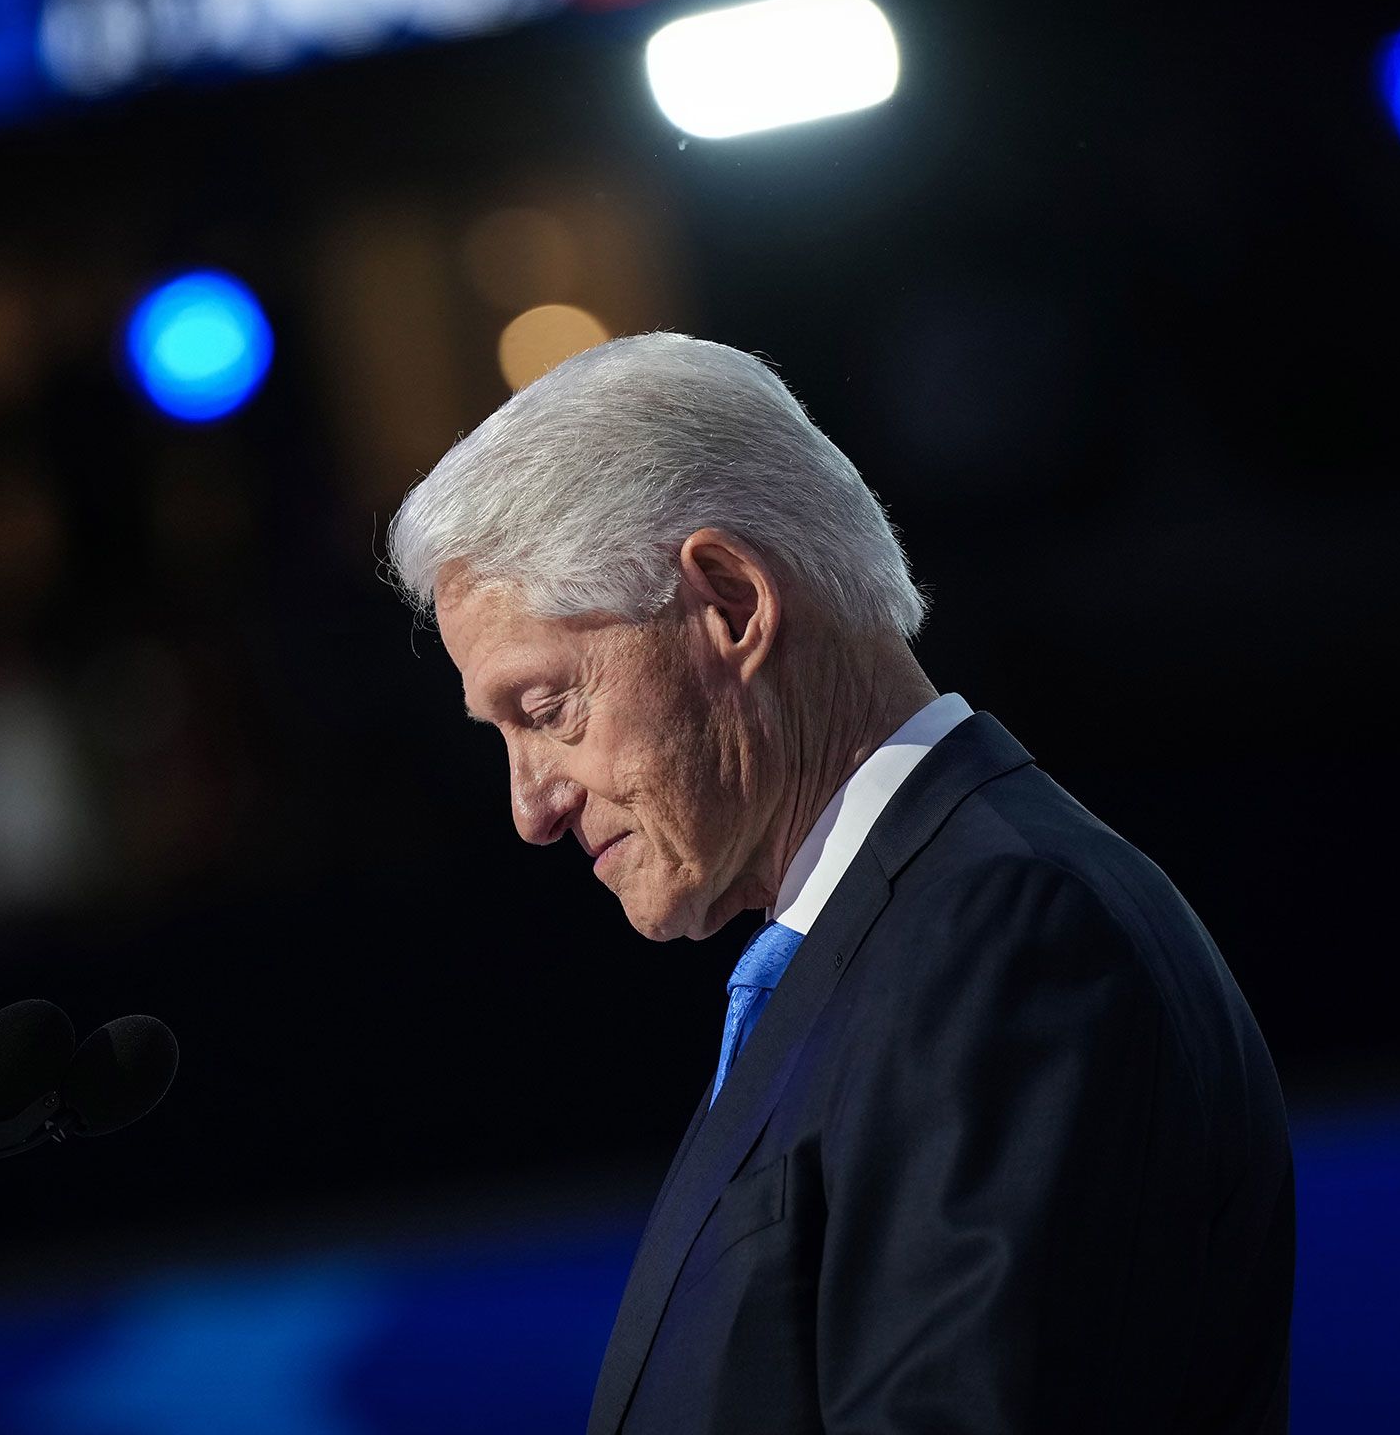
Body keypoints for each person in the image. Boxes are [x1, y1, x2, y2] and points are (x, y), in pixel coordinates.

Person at [385, 333, 1292, 1434]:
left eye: (545, 710)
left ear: (728, 603)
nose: (531, 807)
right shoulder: (894, 940)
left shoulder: (998, 934)